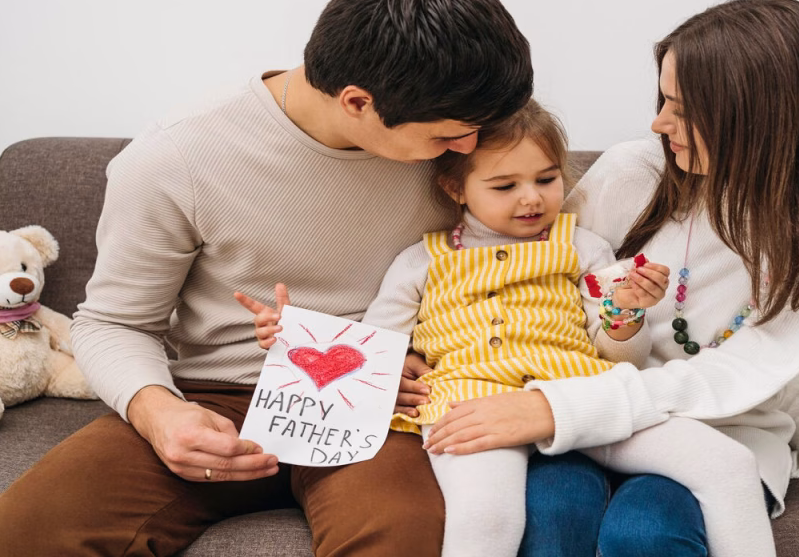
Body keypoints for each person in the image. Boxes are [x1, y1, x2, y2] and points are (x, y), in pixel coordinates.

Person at [0, 0, 533, 555]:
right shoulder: (177, 157)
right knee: (25, 531)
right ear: (357, 102)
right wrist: (159, 413)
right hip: (212, 393)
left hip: (383, 400)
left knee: (399, 535)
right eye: (450, 133)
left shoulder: (474, 145)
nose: (471, 146)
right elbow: (112, 323)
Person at [420, 0, 799, 557]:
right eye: (664, 98)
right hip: (578, 412)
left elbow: (731, 379)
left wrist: (555, 407)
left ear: (758, 113)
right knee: (554, 515)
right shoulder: (636, 171)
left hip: (710, 428)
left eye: (682, 107)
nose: (659, 122)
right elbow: (536, 278)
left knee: (645, 533)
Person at [238, 99, 673, 557]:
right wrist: (291, 334)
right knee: (486, 517)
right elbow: (373, 344)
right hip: (464, 406)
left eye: (547, 179)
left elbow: (619, 360)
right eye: (505, 186)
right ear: (455, 188)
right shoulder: (422, 260)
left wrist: (625, 314)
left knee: (690, 465)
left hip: (572, 400)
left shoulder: (585, 248)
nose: (531, 197)